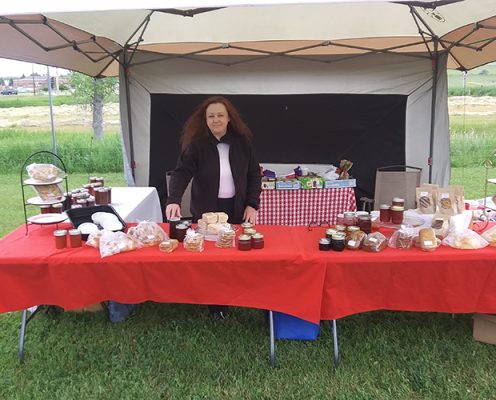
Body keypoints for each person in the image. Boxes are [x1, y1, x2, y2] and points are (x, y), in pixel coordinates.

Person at [165, 96, 262, 318]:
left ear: (229, 118)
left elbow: (254, 174)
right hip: (207, 210)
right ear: (205, 120)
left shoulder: (242, 142)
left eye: (220, 115)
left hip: (236, 208)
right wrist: (173, 199)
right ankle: (215, 302)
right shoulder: (196, 145)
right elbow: (181, 173)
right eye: (211, 116)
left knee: (234, 252)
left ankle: (237, 293)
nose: (216, 120)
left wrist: (252, 205)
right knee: (211, 258)